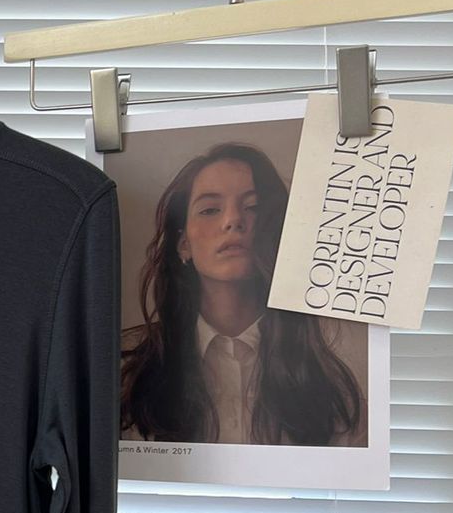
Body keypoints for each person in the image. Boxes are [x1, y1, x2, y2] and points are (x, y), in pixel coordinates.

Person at [120, 141, 367, 447]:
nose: (233, 221)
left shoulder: (333, 388)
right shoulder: (128, 373)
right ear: (183, 244)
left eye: (253, 207)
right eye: (210, 210)